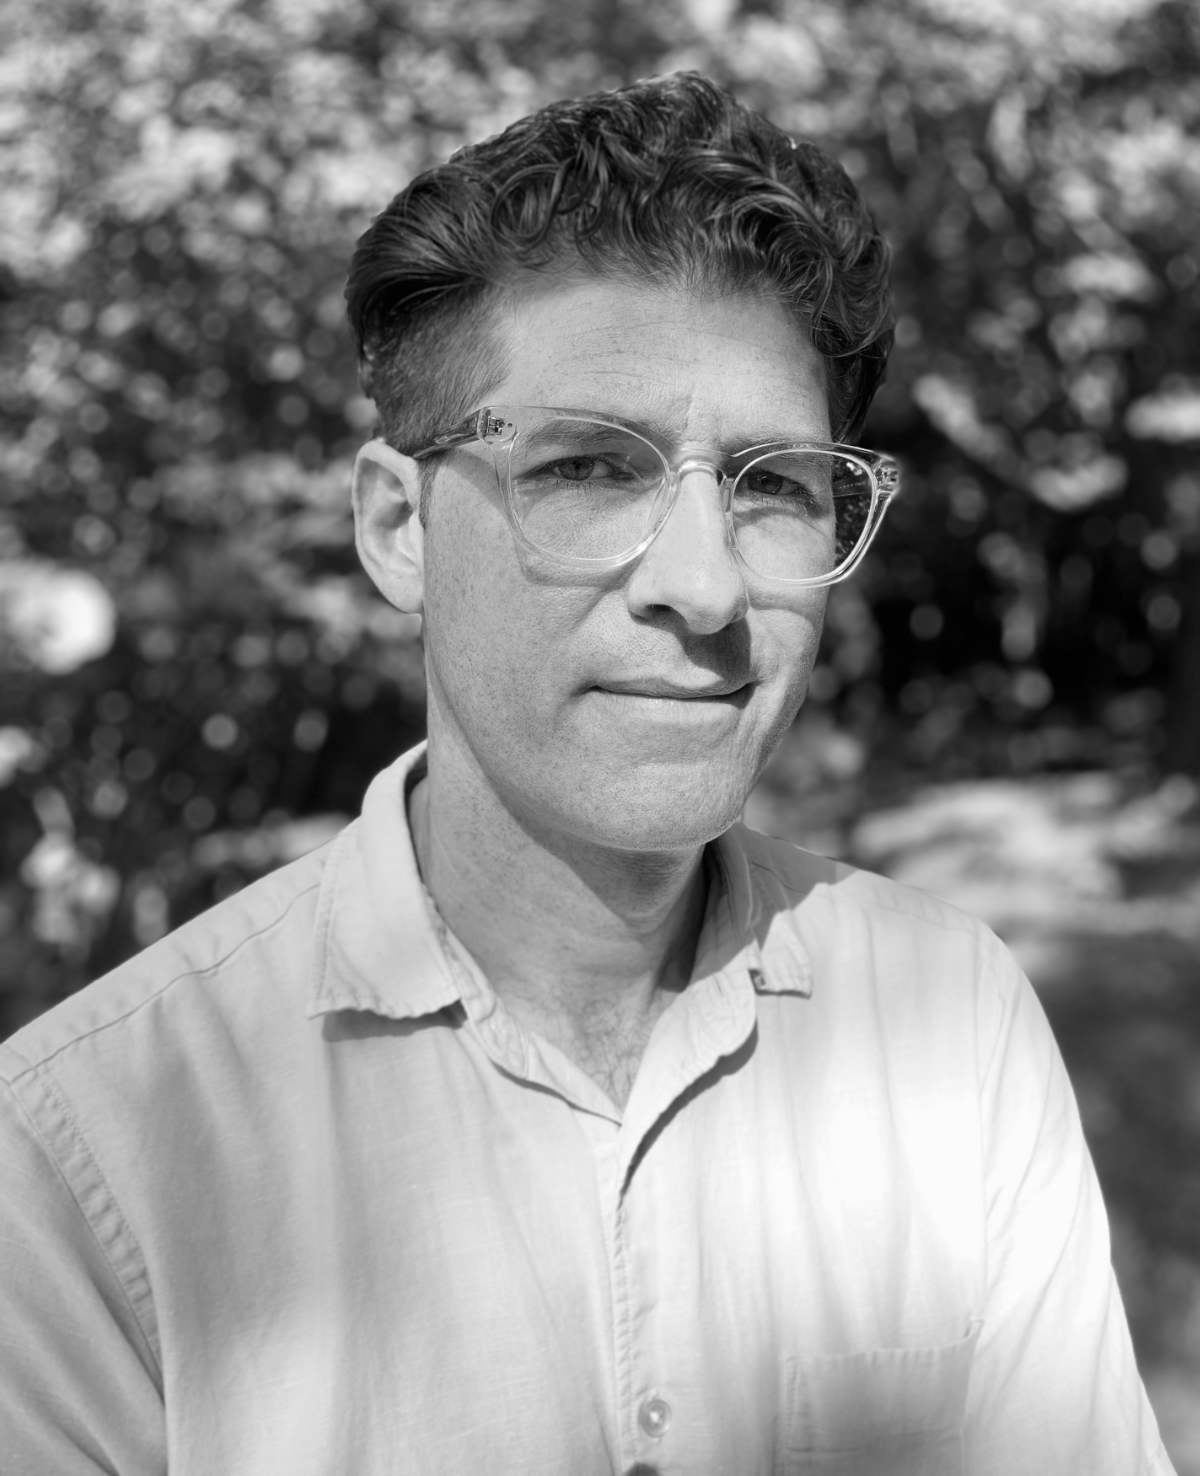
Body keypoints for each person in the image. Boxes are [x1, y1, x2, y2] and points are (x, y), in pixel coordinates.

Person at [0, 71, 1175, 1476]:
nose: (703, 586)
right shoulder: (88, 1150)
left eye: (775, 486)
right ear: (398, 529)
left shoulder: (952, 1020)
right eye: (585, 469)